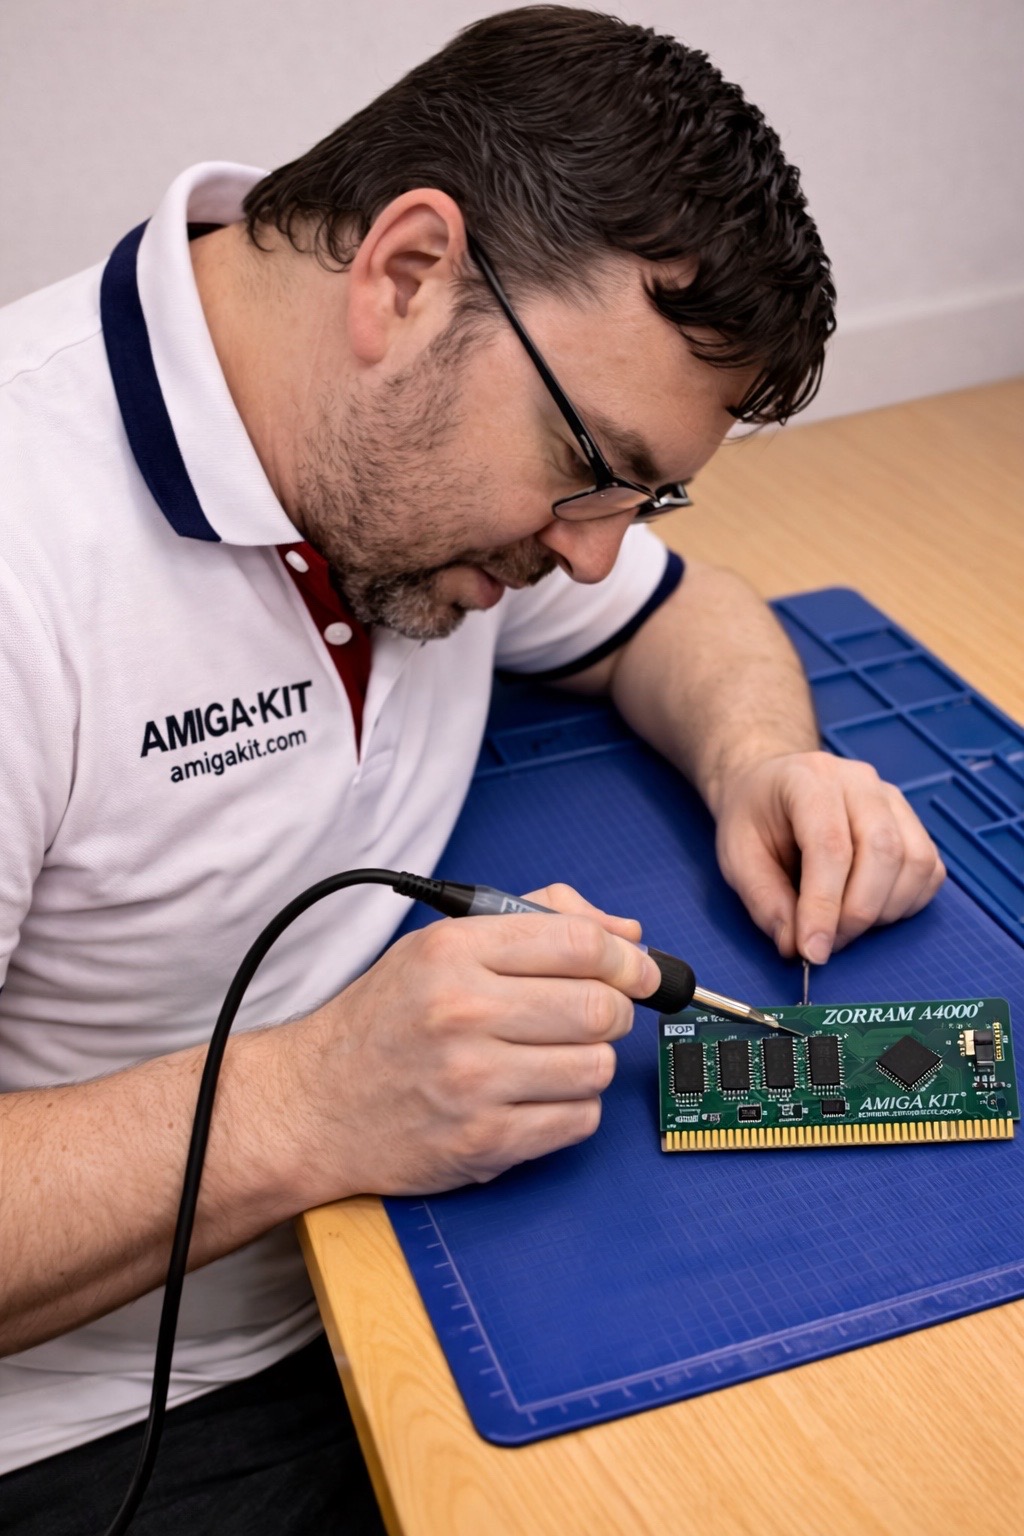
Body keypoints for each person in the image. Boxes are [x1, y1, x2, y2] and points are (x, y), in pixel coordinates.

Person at [0, 6, 945, 1531]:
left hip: (425, 1267)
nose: (589, 549)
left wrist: (768, 755)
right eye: (590, 468)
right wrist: (307, 1103)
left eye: (649, 492)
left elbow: (681, 617)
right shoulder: (23, 555)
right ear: (408, 273)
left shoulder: (408, 466)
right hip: (106, 1427)